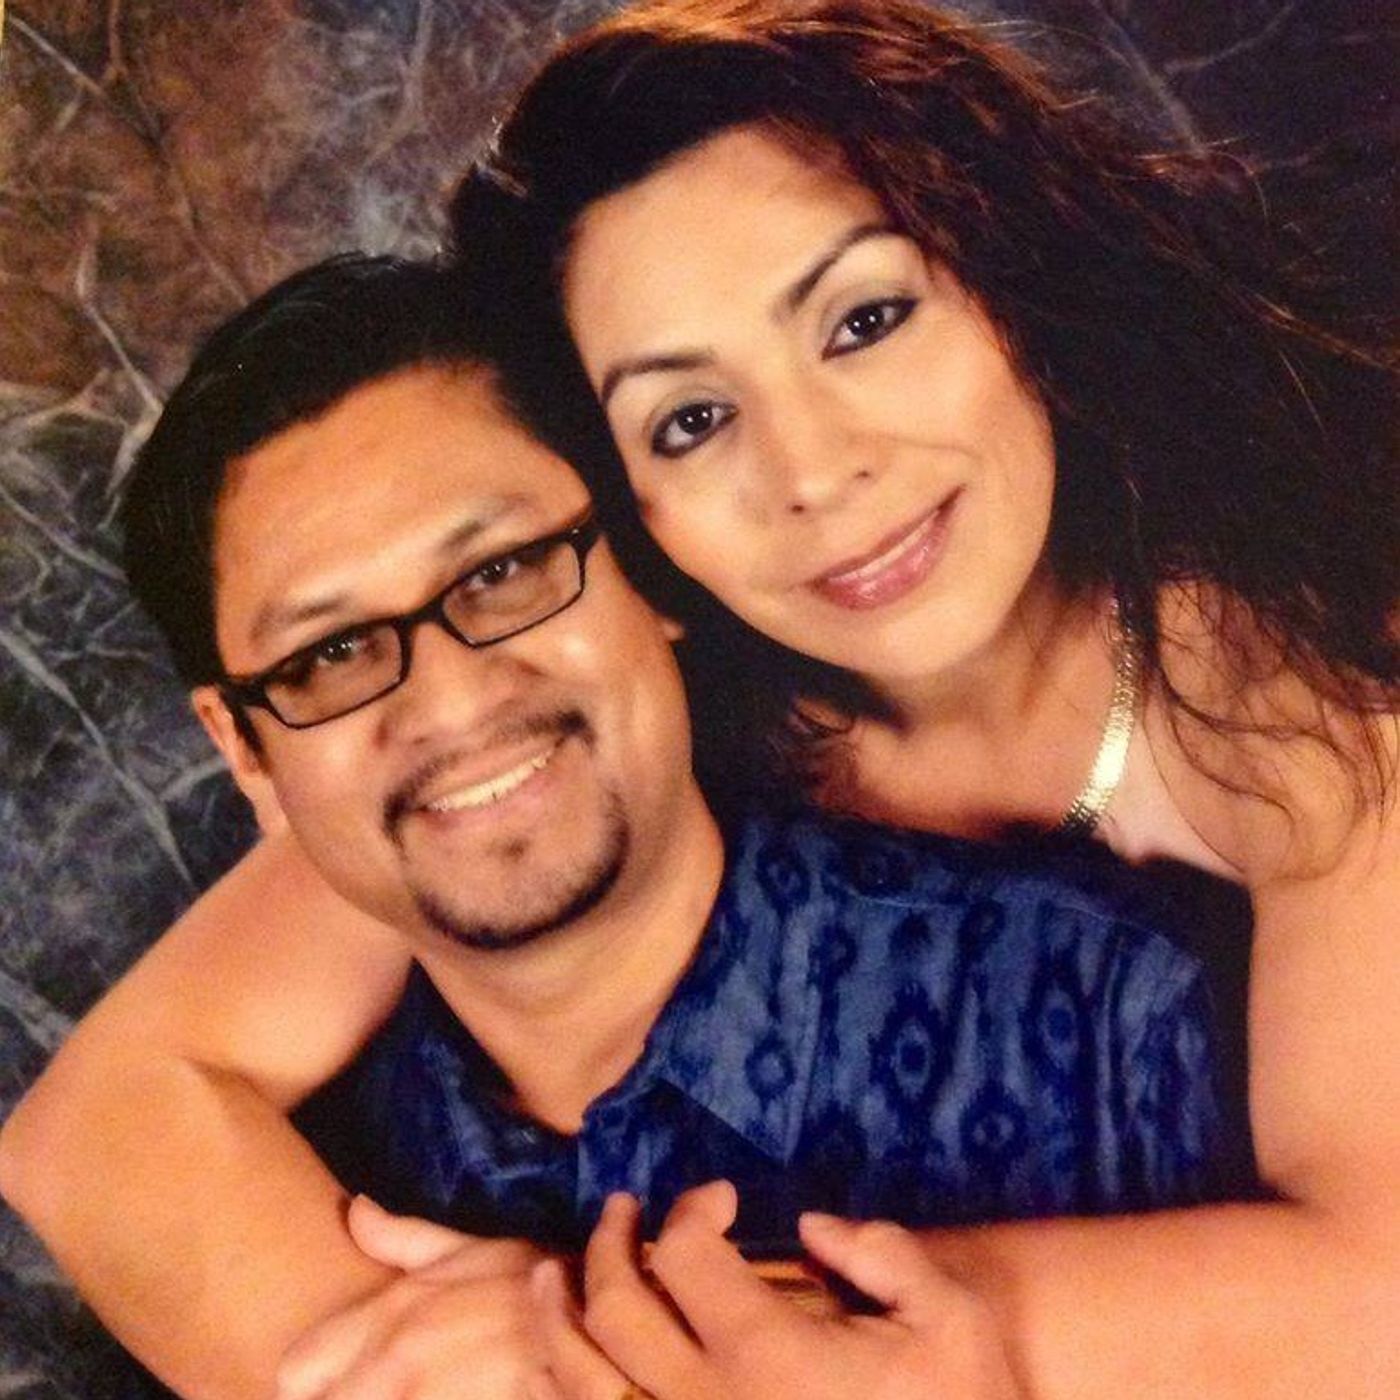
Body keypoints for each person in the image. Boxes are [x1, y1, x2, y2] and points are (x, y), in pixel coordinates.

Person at [0, 252, 1242, 1400]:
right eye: (329, 653)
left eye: (502, 572)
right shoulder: (272, 1198)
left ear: (649, 579)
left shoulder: (1113, 1017)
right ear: (244, 747)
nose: (452, 700)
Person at [436, 0, 1397, 1394]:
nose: (814, 471)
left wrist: (796, 1330)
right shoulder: (633, 695)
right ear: (622, 501)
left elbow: (1381, 1292)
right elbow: (127, 1107)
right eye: (690, 420)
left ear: (1013, 283)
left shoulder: (1293, 684)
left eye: (865, 319)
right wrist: (418, 1335)